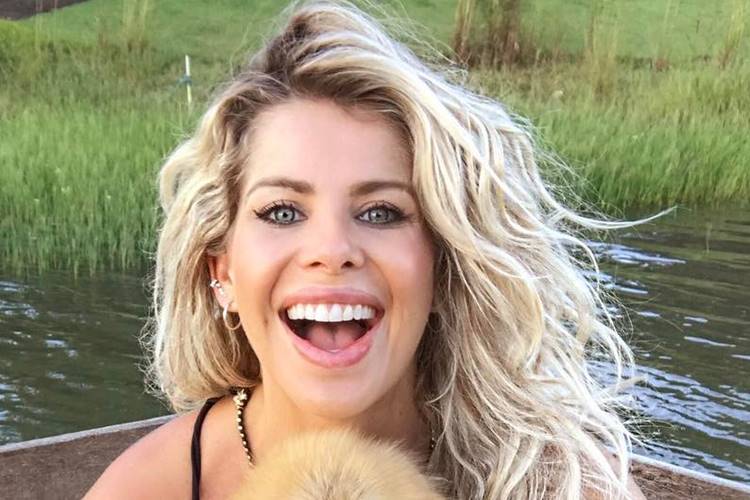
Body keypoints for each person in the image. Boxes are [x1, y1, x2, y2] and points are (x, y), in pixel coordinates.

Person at [85, 0, 647, 498]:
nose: (332, 250)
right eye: (282, 211)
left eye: (381, 212)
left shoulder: (565, 488)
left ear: (442, 271)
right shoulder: (143, 491)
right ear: (224, 273)